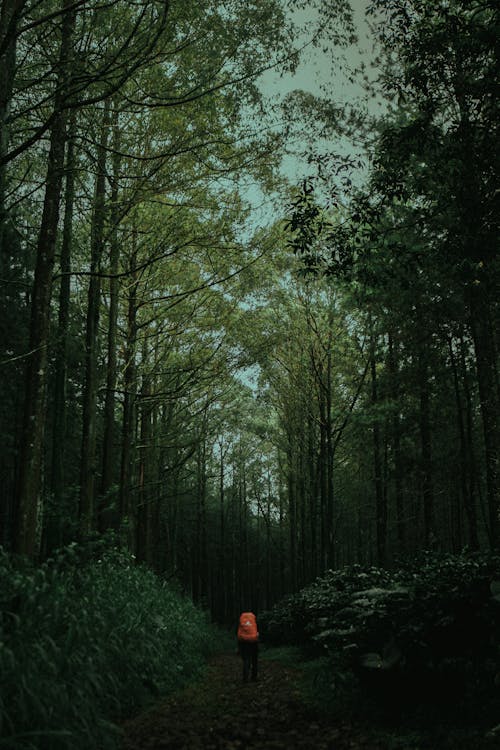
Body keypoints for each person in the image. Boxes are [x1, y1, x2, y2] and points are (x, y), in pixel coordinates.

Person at [237, 611, 259, 682]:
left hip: (244, 642)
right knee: (254, 660)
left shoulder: (242, 621)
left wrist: (239, 647)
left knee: (246, 660)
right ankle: (254, 677)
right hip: (253, 642)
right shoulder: (253, 620)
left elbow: (239, 634)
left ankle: (245, 678)